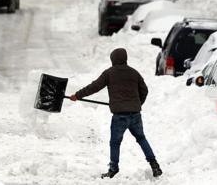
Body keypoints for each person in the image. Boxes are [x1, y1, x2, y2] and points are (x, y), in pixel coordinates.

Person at [69, 48, 162, 179]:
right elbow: (144, 90)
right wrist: (137, 104)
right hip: (135, 114)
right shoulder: (134, 73)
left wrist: (77, 95)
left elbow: (94, 87)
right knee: (141, 139)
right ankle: (155, 165)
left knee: (115, 143)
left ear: (113, 59)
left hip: (120, 116)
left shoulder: (109, 73)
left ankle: (113, 169)